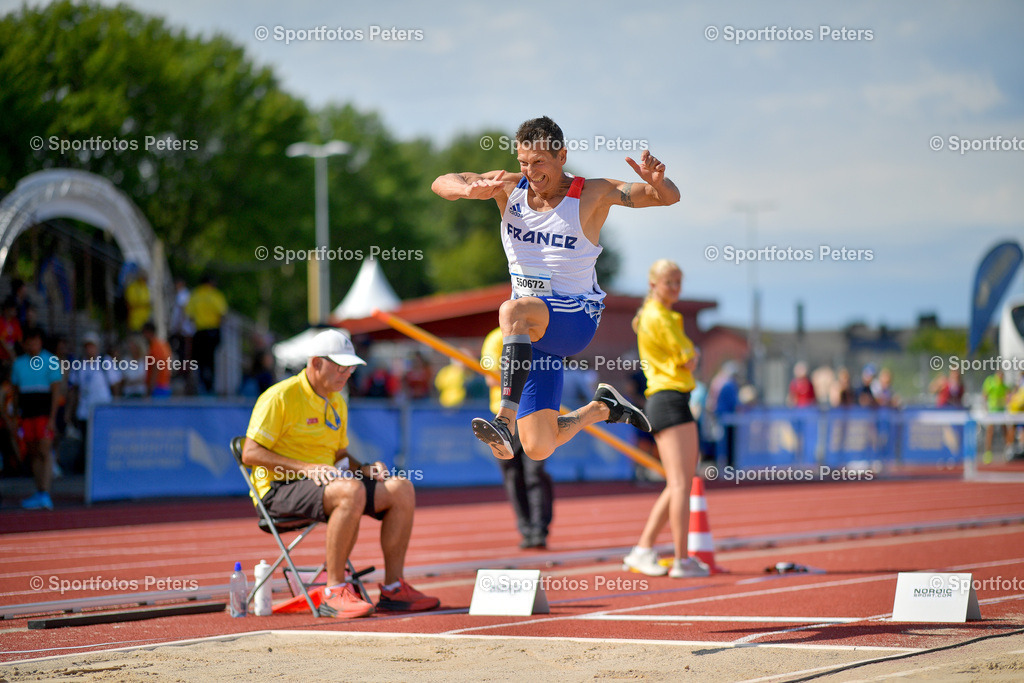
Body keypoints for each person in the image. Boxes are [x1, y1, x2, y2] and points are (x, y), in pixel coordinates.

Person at [432, 116, 677, 461]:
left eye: (539, 163)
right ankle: (601, 408)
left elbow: (666, 198)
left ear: (561, 156)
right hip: (532, 335)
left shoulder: (592, 193)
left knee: (512, 309)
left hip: (574, 318)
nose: (530, 173)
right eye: (524, 163)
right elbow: (442, 181)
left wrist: (659, 182)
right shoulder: (509, 187)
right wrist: (466, 190)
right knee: (538, 446)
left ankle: (504, 419)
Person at [241, 329, 439, 619]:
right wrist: (308, 468)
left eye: (351, 367)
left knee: (401, 488)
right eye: (341, 366)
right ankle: (334, 591)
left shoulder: (337, 401)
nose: (348, 373)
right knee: (350, 489)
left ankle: (394, 588)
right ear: (316, 363)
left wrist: (365, 468)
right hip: (279, 489)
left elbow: (338, 457)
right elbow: (250, 454)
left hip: (328, 484)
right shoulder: (280, 397)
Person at [622, 260, 710, 578]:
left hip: (669, 399)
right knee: (680, 483)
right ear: (653, 284)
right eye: (668, 282)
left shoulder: (657, 315)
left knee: (677, 484)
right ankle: (681, 559)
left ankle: (644, 549)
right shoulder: (661, 316)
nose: (674, 287)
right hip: (669, 399)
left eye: (678, 282)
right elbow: (689, 358)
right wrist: (692, 356)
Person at [481, 326, 554, 549]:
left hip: (535, 413)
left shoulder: (540, 336)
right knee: (512, 476)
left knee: (534, 473)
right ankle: (526, 529)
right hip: (505, 419)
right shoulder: (495, 338)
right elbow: (491, 378)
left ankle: (539, 529)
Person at [10, 328, 63, 509]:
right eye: (29, 341)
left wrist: (52, 418)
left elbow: (56, 393)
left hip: (43, 413)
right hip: (27, 414)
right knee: (33, 453)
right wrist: (16, 416)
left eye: (36, 341)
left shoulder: (50, 361)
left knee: (44, 450)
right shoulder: (19, 364)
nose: (33, 345)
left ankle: (45, 492)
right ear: (24, 344)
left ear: (40, 342)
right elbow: (16, 393)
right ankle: (39, 491)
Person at [67, 332, 122, 471]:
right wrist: (70, 411)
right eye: (86, 347)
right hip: (85, 410)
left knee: (103, 438)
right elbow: (74, 389)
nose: (89, 350)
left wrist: (115, 404)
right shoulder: (79, 364)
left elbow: (115, 384)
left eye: (91, 346)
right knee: (87, 440)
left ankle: (103, 465)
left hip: (103, 409)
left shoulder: (105, 361)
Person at [186, 274, 228, 394]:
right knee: (211, 360)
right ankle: (210, 386)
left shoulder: (195, 295)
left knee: (199, 361)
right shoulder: (215, 295)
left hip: (199, 332)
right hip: (213, 331)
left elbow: (189, 315)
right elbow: (222, 313)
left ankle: (201, 385)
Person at [981, 369, 1012, 463]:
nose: (1001, 378)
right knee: (990, 431)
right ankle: (988, 453)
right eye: (1000, 376)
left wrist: (1008, 402)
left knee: (1005, 430)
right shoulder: (990, 382)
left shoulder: (1004, 385)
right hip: (992, 412)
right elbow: (985, 395)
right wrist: (985, 408)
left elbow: (1009, 395)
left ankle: (1008, 451)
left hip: (1001, 412)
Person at [141, 322, 173, 397]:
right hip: (165, 385)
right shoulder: (163, 344)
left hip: (158, 387)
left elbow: (156, 366)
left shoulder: (155, 346)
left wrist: (150, 388)